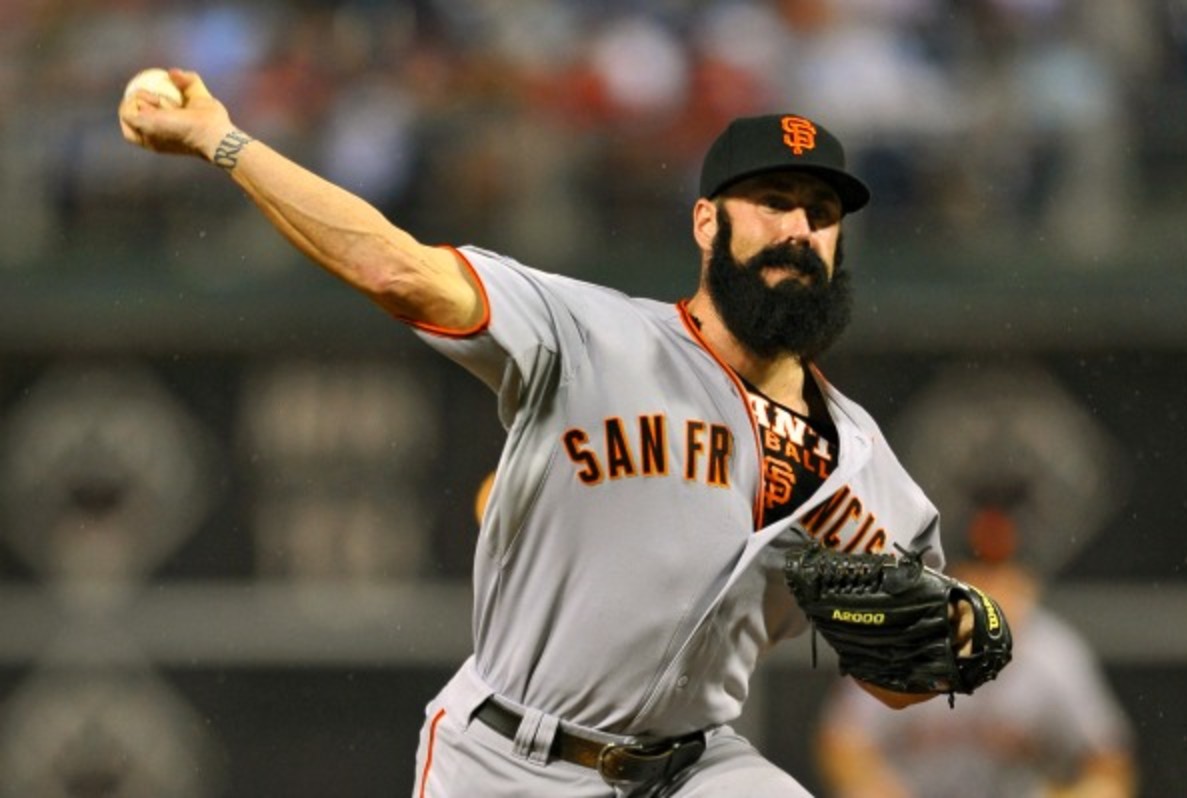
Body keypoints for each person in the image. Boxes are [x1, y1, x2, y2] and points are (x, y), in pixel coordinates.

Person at [119, 70, 974, 797]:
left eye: (821, 213)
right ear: (707, 223)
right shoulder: (589, 334)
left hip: (692, 770)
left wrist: (944, 644)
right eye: (773, 202)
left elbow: (906, 679)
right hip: (509, 758)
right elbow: (395, 267)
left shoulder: (861, 462)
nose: (798, 230)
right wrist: (223, 141)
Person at [815, 506, 1137, 798]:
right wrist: (877, 787)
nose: (992, 593)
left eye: (1003, 577)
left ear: (1028, 585)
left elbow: (1110, 764)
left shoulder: (1056, 655)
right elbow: (842, 744)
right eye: (978, 576)